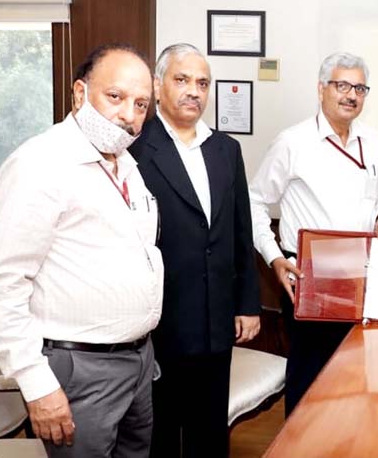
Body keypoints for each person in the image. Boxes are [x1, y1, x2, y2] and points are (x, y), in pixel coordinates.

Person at [0, 43, 162, 457]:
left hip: (137, 362)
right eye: (115, 97)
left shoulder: (127, 164)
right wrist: (37, 385)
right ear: (79, 93)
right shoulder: (40, 165)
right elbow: (3, 285)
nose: (128, 115)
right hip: (79, 370)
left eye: (141, 104)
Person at [129, 43, 260, 458]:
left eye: (202, 83)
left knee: (209, 435)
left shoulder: (226, 149)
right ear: (157, 84)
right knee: (161, 437)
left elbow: (242, 231)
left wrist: (248, 304)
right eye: (182, 80)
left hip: (217, 323)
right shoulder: (133, 151)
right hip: (160, 326)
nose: (194, 91)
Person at [250, 52, 378, 416]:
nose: (351, 95)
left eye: (359, 88)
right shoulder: (293, 142)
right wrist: (275, 258)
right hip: (309, 276)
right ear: (321, 89)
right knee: (310, 375)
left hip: (362, 275)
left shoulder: (372, 139)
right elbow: (253, 203)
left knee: (355, 370)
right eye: (342, 85)